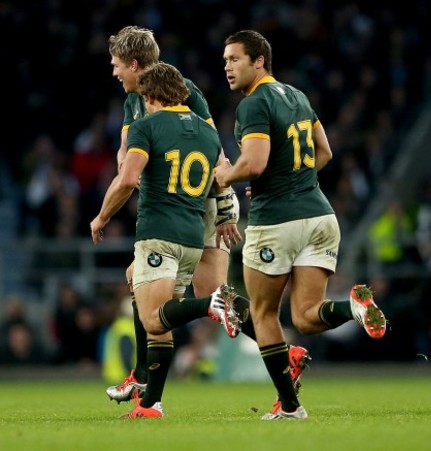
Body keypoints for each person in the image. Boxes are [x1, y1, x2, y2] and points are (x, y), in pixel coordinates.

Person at [103, 26, 310, 406]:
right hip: (176, 204)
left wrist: (227, 210)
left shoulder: (178, 89)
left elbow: (215, 152)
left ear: (134, 64)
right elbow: (125, 152)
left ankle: (146, 378)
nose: (114, 72)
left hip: (197, 205)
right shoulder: (134, 99)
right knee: (169, 290)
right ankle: (284, 355)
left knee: (193, 294)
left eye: (117, 65)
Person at [214, 29, 388, 421]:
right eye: (225, 60)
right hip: (321, 215)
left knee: (263, 314)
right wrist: (293, 181)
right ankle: (353, 309)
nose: (227, 66)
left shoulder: (253, 104)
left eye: (235, 59)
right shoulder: (297, 96)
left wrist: (224, 177)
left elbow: (254, 164)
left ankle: (290, 406)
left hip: (277, 221)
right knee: (307, 317)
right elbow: (324, 151)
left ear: (259, 61)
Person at [90, 61, 241, 418]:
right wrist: (223, 213)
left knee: (153, 320)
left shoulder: (146, 126)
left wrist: (101, 217)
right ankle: (150, 403)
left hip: (159, 233)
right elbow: (221, 175)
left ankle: (210, 305)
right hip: (192, 238)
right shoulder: (207, 135)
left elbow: (127, 180)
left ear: (150, 94)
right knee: (154, 307)